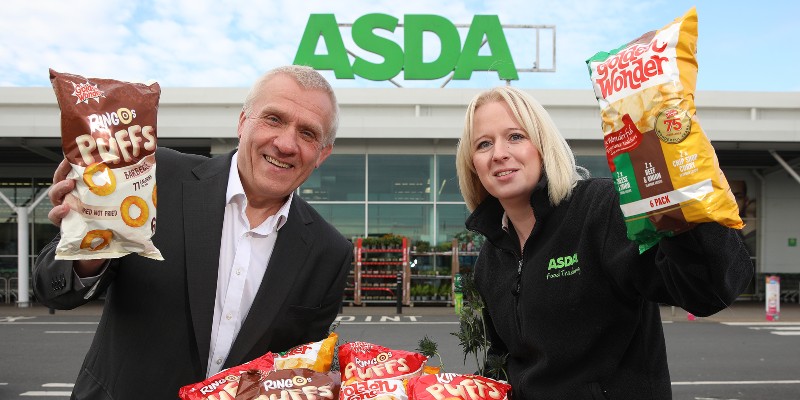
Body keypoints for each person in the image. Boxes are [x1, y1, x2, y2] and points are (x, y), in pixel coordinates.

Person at [33, 65, 353, 399]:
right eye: (274, 119)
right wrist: (89, 244)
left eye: (308, 133)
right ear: (243, 122)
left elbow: (300, 373)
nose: (286, 144)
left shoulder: (328, 252)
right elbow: (53, 290)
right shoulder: (153, 176)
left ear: (323, 154)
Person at [455, 86, 753, 400]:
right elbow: (505, 363)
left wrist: (683, 195)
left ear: (542, 145)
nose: (499, 153)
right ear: (472, 163)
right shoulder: (491, 258)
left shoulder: (603, 209)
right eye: (484, 143)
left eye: (515, 136)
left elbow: (707, 290)